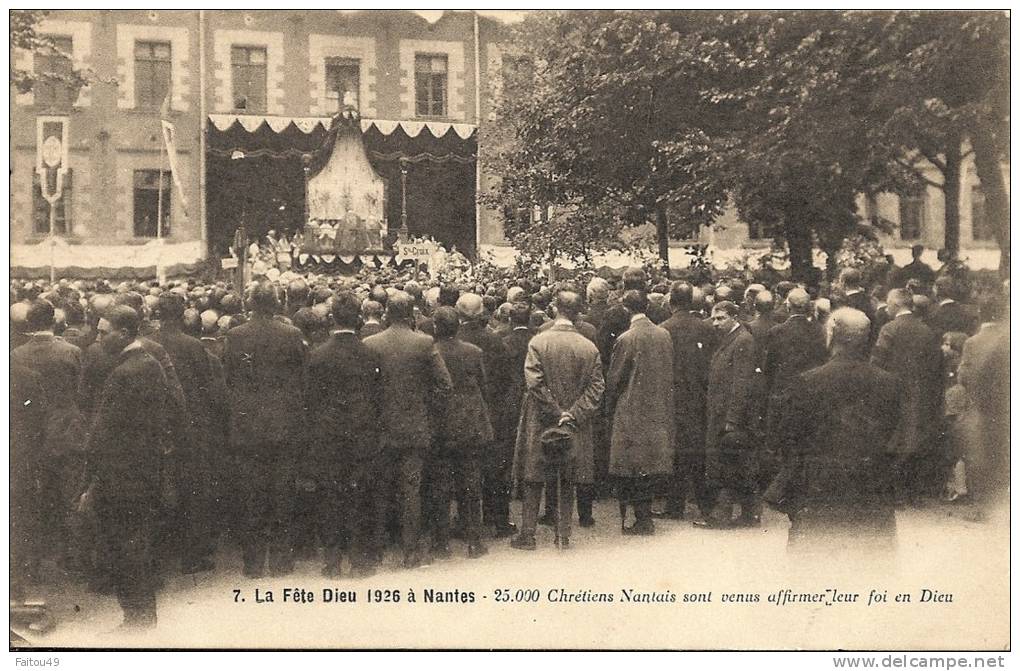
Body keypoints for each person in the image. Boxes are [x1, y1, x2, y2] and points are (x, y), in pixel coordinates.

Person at [765, 308, 902, 560]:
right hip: (870, 487)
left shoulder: (807, 382)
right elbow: (892, 433)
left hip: (818, 487)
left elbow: (788, 437)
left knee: (815, 567)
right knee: (871, 567)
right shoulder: (888, 382)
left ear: (831, 335)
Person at [78, 305, 177, 629]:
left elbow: (102, 431)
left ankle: (136, 617)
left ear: (124, 333)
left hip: (120, 474)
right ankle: (141, 614)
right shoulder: (149, 364)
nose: (98, 337)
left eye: (104, 332)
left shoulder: (124, 372)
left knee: (124, 547)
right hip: (143, 468)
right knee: (136, 544)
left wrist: (89, 480)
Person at [222, 283, 307, 578]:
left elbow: (229, 377)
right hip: (284, 425)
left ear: (250, 303)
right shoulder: (292, 334)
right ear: (277, 303)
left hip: (248, 427)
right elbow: (301, 377)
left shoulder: (235, 336)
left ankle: (254, 563)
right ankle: (281, 561)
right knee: (283, 495)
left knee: (252, 496)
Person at [363, 291, 452, 568]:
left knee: (380, 488)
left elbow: (366, 389)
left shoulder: (371, 343)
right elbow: (445, 385)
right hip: (415, 426)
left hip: (381, 426)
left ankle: (376, 549)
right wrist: (426, 407)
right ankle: (410, 552)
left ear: (387, 313)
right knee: (411, 490)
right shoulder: (424, 343)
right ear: (412, 314)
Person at [512, 291, 605, 550]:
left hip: (540, 419)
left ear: (555, 309)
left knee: (534, 475)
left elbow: (534, 383)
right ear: (579, 311)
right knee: (568, 475)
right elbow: (596, 389)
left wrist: (554, 410)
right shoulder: (589, 347)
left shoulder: (538, 342)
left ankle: (527, 534)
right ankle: (563, 535)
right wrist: (572, 413)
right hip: (574, 423)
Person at [304, 291, 381, 578]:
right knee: (360, 497)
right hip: (362, 436)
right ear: (358, 318)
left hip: (328, 436)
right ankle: (360, 561)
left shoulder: (318, 356)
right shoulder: (370, 354)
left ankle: (333, 561)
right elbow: (377, 397)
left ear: (333, 318)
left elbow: (309, 400)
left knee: (331, 498)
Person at [11, 299, 86, 575]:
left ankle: (33, 558)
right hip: (67, 430)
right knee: (70, 495)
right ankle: (73, 557)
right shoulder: (71, 351)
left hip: (32, 434)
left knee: (34, 495)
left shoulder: (16, 355)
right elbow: (81, 390)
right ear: (54, 320)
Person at [148, 292, 219, 575]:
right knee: (192, 490)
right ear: (181, 315)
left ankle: (162, 551)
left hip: (158, 424)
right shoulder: (193, 346)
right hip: (190, 425)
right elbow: (206, 387)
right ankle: (192, 555)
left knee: (160, 487)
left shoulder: (149, 344)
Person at [606, 290, 675, 535]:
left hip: (632, 408)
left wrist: (610, 406)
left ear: (626, 309)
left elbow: (615, 379)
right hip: (657, 406)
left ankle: (642, 518)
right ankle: (644, 516)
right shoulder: (663, 334)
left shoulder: (626, 338)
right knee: (649, 463)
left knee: (632, 464)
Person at [429, 307, 493, 559]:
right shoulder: (473, 352)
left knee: (440, 485)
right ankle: (474, 541)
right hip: (469, 424)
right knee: (471, 483)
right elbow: (484, 386)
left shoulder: (431, 350)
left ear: (436, 327)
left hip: (441, 425)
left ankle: (441, 543)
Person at [870, 288, 943, 503]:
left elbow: (877, 363)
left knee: (892, 440)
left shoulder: (889, 329)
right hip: (921, 393)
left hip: (894, 394)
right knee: (914, 439)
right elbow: (936, 367)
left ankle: (894, 491)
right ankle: (913, 491)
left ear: (894, 305)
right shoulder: (927, 331)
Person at [656, 281, 716, 520]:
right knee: (699, 451)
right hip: (700, 396)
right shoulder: (706, 328)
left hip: (674, 397)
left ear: (671, 302)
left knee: (676, 452)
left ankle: (675, 504)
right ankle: (705, 505)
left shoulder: (664, 328)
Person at [455, 293, 513, 537]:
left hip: (461, 414)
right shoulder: (495, 341)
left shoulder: (453, 340)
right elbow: (505, 380)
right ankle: (498, 518)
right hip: (493, 412)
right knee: (496, 469)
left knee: (465, 469)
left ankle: (466, 520)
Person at [697, 300, 758, 529]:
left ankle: (724, 515)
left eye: (721, 318)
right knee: (733, 463)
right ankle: (749, 513)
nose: (715, 323)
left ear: (735, 317)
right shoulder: (731, 339)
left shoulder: (743, 340)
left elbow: (741, 383)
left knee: (728, 464)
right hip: (722, 412)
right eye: (713, 318)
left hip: (731, 417)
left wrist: (732, 419)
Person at [761, 288, 828, 488]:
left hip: (784, 395)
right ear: (809, 307)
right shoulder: (820, 330)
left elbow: (769, 367)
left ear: (788, 306)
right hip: (813, 394)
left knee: (785, 443)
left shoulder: (777, 332)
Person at [957, 297, 1010, 505]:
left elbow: (965, 376)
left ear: (981, 313)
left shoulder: (973, 342)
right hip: (1007, 405)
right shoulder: (1010, 339)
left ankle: (983, 504)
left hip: (981, 406)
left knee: (982, 453)